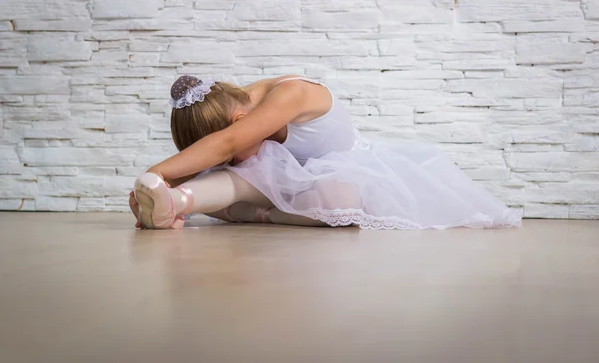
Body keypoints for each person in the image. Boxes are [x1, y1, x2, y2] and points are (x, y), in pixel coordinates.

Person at [129, 75, 522, 230]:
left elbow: (228, 146)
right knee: (249, 168)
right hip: (283, 181)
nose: (230, 155)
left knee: (341, 200)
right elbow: (224, 151)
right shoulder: (236, 118)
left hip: (343, 171)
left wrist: (152, 171)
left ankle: (249, 213)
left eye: (228, 150)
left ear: (238, 119)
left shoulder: (291, 94)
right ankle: (178, 202)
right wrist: (155, 188)